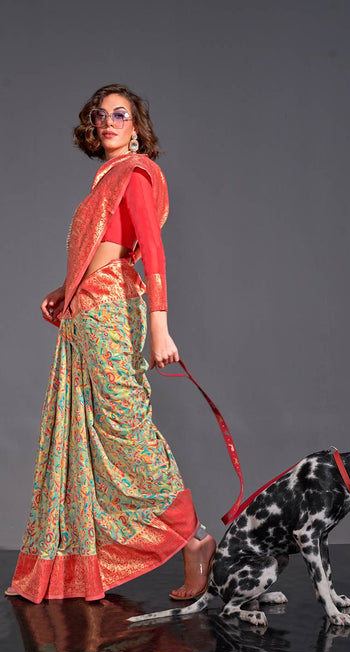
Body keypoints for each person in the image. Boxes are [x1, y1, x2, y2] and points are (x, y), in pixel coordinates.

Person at [6, 84, 215, 603]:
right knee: (89, 431)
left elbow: (152, 250)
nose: (108, 122)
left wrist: (160, 326)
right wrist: (66, 288)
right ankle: (86, 560)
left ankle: (194, 539)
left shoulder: (135, 173)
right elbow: (105, 248)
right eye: (100, 115)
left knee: (125, 424)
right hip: (87, 307)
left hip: (113, 308)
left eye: (120, 114)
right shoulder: (103, 178)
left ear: (137, 126)